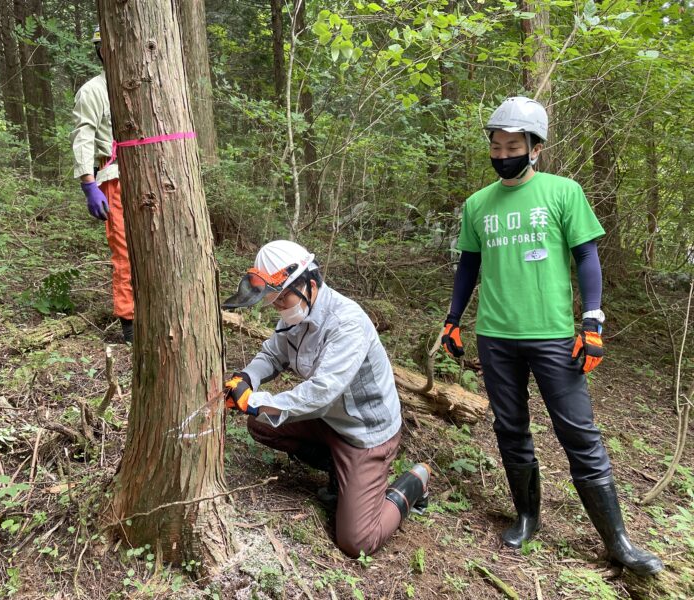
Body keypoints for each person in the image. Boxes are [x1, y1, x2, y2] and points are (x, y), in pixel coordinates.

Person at [442, 96, 663, 576]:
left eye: (513, 145)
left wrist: (593, 321)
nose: (503, 154)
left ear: (535, 148)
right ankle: (526, 516)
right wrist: (453, 320)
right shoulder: (478, 204)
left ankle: (619, 541)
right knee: (511, 430)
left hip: (554, 336)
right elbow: (469, 266)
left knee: (579, 435)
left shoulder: (564, 193)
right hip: (495, 336)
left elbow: (586, 257)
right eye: (496, 146)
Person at [222, 240, 430, 558]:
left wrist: (256, 400)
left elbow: (320, 393)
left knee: (357, 541)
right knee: (262, 424)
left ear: (310, 281)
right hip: (330, 421)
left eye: (282, 298)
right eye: (273, 300)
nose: (277, 306)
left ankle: (414, 482)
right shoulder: (296, 317)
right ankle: (339, 469)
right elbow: (273, 354)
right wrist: (248, 378)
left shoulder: (346, 324)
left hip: (365, 434)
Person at [70, 26, 133, 343]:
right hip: (115, 178)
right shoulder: (93, 91)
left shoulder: (142, 82)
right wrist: (88, 183)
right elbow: (84, 136)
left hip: (153, 178)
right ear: (101, 52)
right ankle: (130, 322)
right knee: (124, 252)